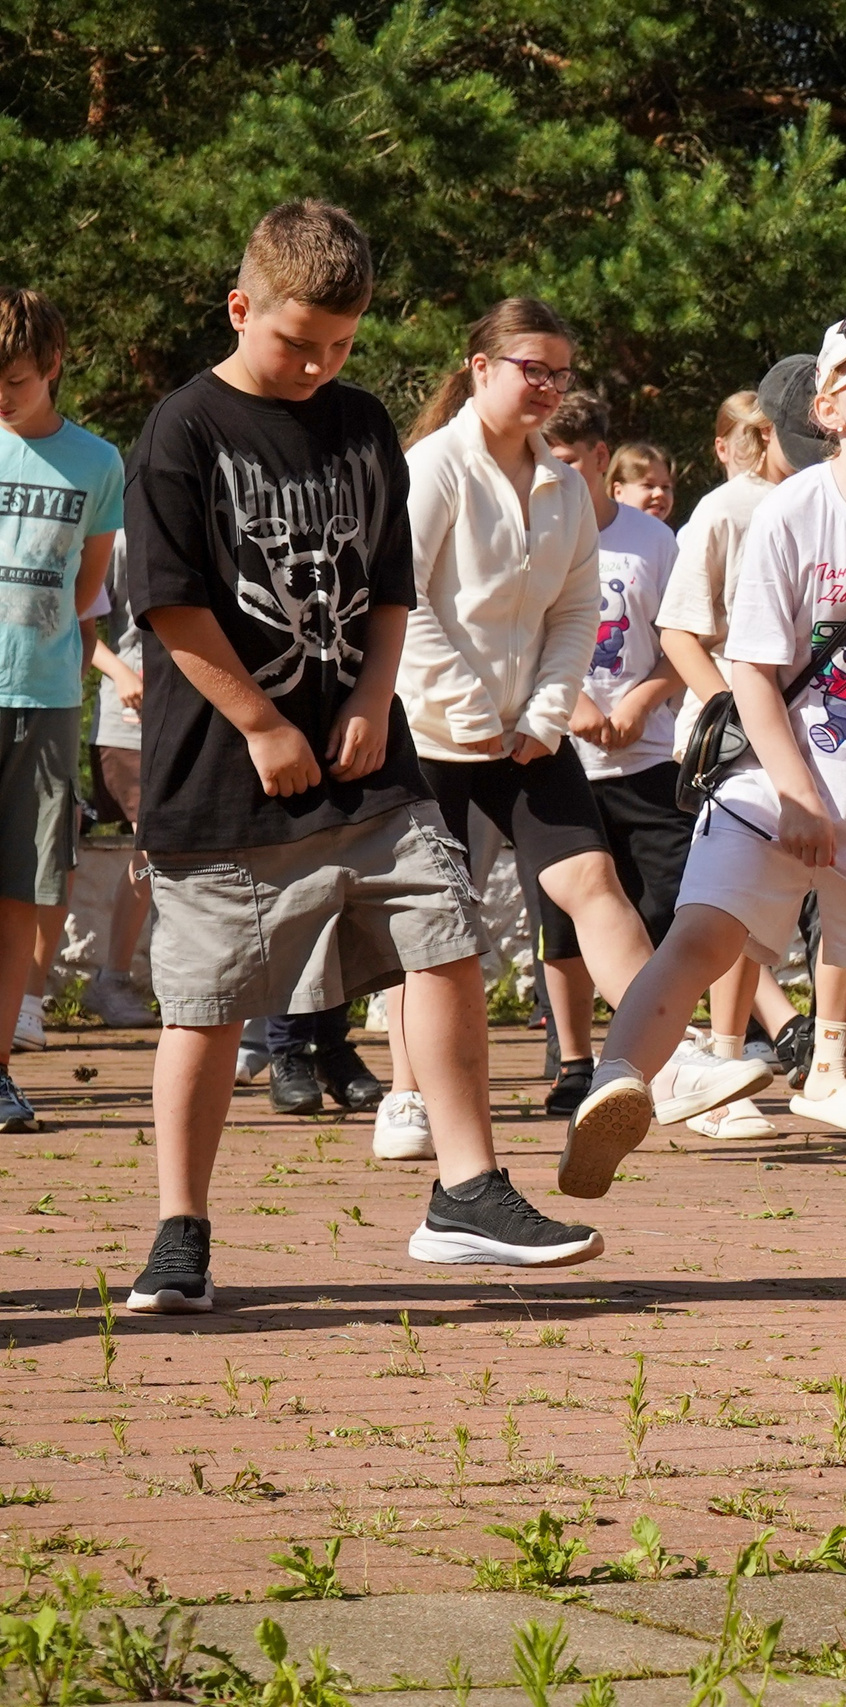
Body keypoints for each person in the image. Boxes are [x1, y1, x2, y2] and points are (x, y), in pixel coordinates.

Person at [124, 201, 607, 1312]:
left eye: (340, 346)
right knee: (207, 1006)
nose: (318, 367)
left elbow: (393, 584)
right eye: (298, 342)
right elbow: (171, 605)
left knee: (444, 939)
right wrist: (263, 724)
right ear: (240, 307)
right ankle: (179, 1231)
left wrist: (373, 698)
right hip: (222, 778)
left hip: (369, 772)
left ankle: (468, 1191)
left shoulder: (359, 423)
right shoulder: (183, 430)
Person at [562, 308, 846, 1289]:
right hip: (769, 773)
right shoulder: (790, 512)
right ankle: (617, 1087)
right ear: (829, 407)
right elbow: (750, 670)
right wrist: (797, 794)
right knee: (702, 934)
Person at [383, 297, 762, 1154]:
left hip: (529, 732)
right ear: (481, 368)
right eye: (533, 369)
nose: (550, 387)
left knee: (593, 880)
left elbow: (575, 610)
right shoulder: (433, 468)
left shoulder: (562, 487)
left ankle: (664, 1064)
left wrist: (545, 712)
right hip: (434, 730)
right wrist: (473, 709)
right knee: (430, 913)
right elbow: (402, 597)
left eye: (561, 373)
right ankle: (406, 1095)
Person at [534, 393, 718, 1123]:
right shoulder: (536, 530)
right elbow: (524, 635)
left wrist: (643, 699)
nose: (554, 474)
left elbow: (684, 637)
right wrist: (570, 701)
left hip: (646, 757)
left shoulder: (653, 540)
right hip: (561, 755)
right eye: (545, 459)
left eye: (569, 461)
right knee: (564, 925)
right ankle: (573, 1060)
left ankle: (654, 1050)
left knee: (667, 905)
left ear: (601, 458)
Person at [658, 378, 821, 1107]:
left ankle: (797, 1060)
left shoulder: (827, 503)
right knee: (729, 902)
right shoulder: (725, 509)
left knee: (768, 918)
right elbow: (679, 629)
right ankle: (721, 1067)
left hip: (817, 734)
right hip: (739, 745)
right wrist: (733, 712)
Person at [0, 289, 122, 1130]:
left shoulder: (97, 462)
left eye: (14, 381)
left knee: (22, 890)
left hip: (44, 701)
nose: (2, 398)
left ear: (52, 367)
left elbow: (88, 590)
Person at [83, 534, 158, 1029]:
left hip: (187, 720)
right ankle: (112, 979)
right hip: (127, 726)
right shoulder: (118, 540)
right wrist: (121, 675)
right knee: (151, 848)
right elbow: (79, 621)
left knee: (174, 853)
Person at [609, 441, 675, 523]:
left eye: (665, 487)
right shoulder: (602, 530)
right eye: (648, 486)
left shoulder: (666, 531)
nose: (660, 493)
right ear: (619, 492)